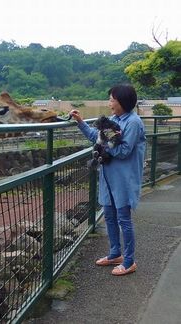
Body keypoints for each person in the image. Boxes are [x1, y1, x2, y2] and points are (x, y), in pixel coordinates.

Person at [70, 84, 146, 276]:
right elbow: (96, 137)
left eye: (112, 99)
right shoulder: (113, 120)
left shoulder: (133, 122)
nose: (109, 103)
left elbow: (123, 150)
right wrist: (80, 122)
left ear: (122, 101)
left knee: (124, 219)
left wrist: (104, 142)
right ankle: (115, 254)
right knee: (110, 216)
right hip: (108, 177)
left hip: (124, 179)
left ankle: (129, 261)